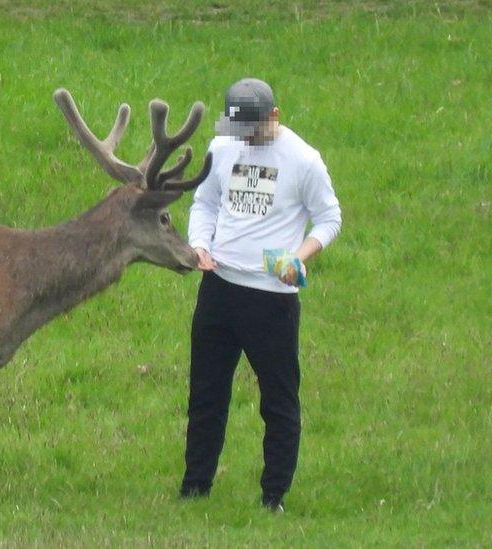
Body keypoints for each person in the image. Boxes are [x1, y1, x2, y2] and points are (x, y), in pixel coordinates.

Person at [180, 78, 342, 512]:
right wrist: (200, 244)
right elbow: (205, 202)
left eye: (253, 130)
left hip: (271, 299)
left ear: (274, 116)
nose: (246, 140)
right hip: (218, 289)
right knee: (206, 396)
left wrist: (300, 257)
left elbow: (329, 218)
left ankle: (274, 497)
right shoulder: (224, 144)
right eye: (240, 131)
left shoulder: (303, 160)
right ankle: (195, 487)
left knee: (278, 401)